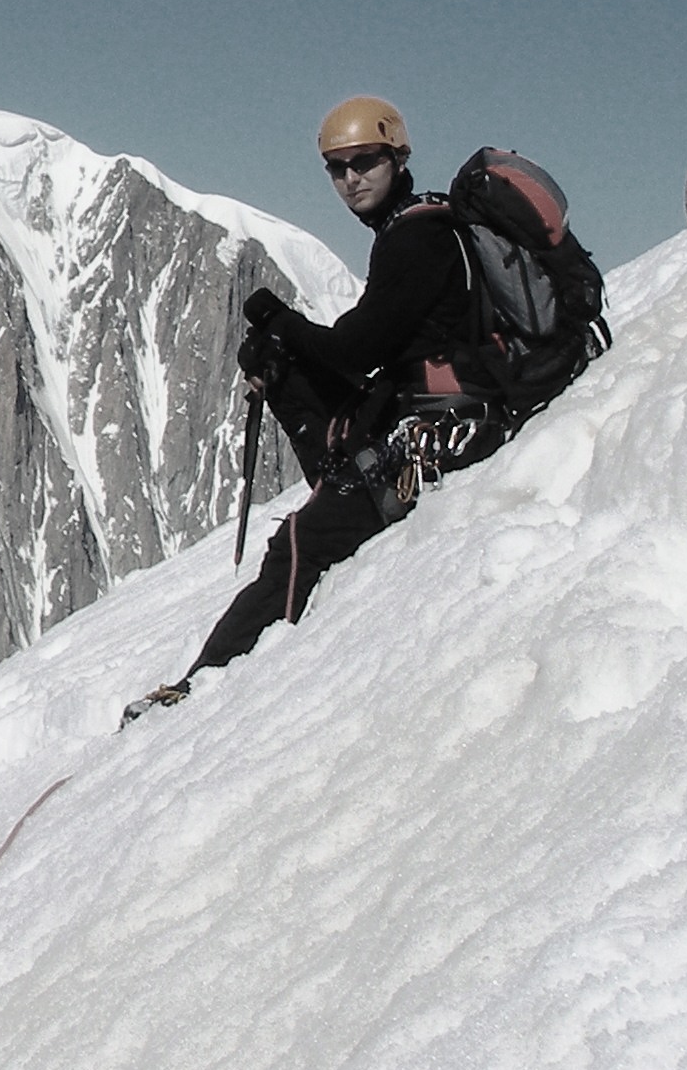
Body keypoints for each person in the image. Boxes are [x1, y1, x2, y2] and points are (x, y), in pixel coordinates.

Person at [124, 96, 503, 723]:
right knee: (288, 359)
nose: (351, 178)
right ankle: (338, 476)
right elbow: (366, 343)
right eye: (337, 167)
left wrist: (277, 318)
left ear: (397, 158)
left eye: (364, 162)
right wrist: (281, 348)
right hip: (443, 404)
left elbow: (354, 349)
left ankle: (198, 689)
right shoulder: (417, 227)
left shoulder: (416, 241)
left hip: (444, 426)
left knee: (301, 541)